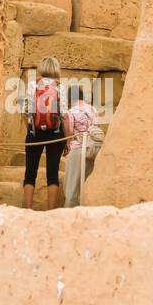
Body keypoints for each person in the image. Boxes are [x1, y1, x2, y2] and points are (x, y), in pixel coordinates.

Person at [22, 56, 66, 211]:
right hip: (56, 132)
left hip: (35, 132)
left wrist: (31, 131)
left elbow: (26, 111)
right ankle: (51, 210)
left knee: (30, 172)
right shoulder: (60, 87)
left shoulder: (33, 85)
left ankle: (27, 209)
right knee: (52, 172)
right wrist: (65, 139)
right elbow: (64, 113)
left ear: (41, 68)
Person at [63, 83, 102, 208]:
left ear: (69, 98)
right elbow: (97, 128)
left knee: (71, 188)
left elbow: (69, 135)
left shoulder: (70, 112)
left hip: (77, 150)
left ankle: (69, 215)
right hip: (93, 150)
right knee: (86, 186)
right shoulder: (93, 109)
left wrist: (66, 148)